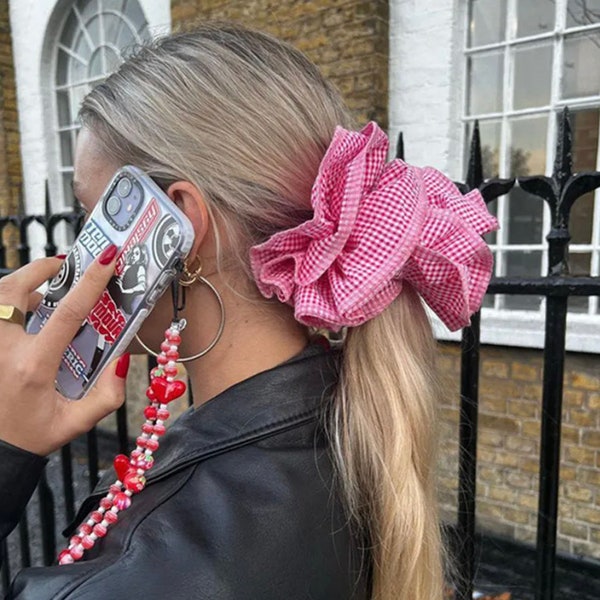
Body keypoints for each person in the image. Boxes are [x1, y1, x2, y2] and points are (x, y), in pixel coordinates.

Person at [0, 22, 497, 599]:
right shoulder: (349, 431)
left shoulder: (135, 582)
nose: (76, 258)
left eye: (95, 216)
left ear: (179, 226)